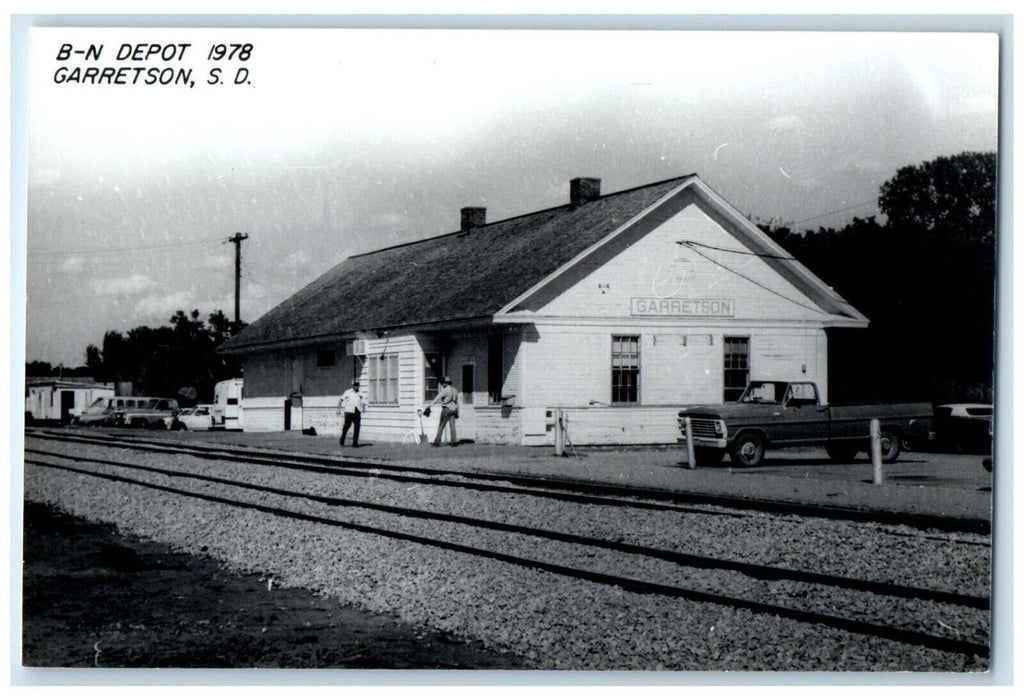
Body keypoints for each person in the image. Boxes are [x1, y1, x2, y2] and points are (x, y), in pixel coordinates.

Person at [427, 375, 459, 446]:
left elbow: (436, 398)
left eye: (442, 383)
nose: (442, 384)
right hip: (454, 409)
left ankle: (437, 442)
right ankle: (454, 442)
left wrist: (429, 406)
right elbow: (457, 402)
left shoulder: (445, 390)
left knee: (441, 426)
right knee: (452, 426)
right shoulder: (455, 390)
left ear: (445, 383)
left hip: (446, 409)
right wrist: (457, 411)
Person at [337, 380, 367, 447]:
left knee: (357, 427)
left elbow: (364, 401)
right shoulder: (347, 392)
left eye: (358, 385)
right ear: (352, 385)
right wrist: (338, 409)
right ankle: (342, 439)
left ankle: (355, 443)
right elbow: (340, 400)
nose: (357, 386)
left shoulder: (361, 393)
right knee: (347, 426)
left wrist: (364, 408)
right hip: (349, 411)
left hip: (357, 411)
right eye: (355, 385)